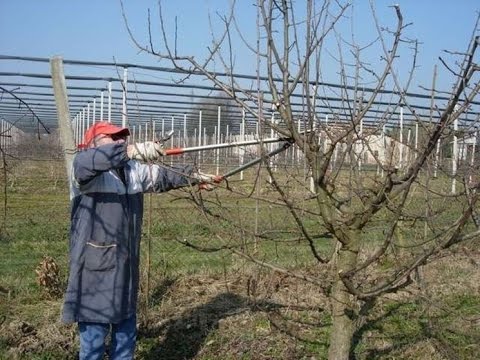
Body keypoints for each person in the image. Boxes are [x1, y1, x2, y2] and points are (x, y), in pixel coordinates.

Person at [62, 121, 215, 359]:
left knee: (125, 342)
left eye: (122, 137)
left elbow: (163, 176)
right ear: (92, 143)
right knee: (92, 344)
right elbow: (91, 162)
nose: (120, 141)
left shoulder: (133, 171)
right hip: (93, 273)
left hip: (125, 270)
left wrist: (193, 176)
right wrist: (131, 150)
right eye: (112, 138)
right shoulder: (83, 167)